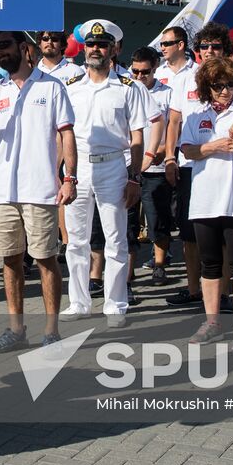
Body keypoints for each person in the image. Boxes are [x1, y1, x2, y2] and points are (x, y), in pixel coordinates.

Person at [0, 30, 76, 352]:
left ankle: (51, 331)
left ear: (23, 48)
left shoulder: (51, 86)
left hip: (41, 189)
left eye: (4, 46)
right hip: (3, 190)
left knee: (45, 259)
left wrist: (69, 177)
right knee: (10, 260)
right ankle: (16, 330)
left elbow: (67, 134)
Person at [59, 19, 148, 328]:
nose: (95, 49)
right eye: (91, 44)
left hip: (113, 166)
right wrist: (63, 174)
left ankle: (115, 302)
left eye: (102, 44)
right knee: (76, 240)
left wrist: (135, 177)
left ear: (113, 49)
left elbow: (137, 137)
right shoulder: (70, 88)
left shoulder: (128, 88)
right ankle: (79, 302)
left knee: (115, 238)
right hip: (79, 166)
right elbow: (62, 134)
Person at [178, 57, 233, 342]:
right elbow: (188, 151)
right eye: (218, 86)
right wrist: (214, 145)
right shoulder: (195, 115)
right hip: (205, 198)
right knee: (210, 263)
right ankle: (212, 322)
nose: (225, 91)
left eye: (230, 85)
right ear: (208, 87)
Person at [163, 20, 232, 307]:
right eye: (204, 46)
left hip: (224, 164)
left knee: (226, 231)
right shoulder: (184, 80)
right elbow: (174, 122)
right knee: (190, 232)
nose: (210, 51)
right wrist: (169, 157)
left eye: (216, 46)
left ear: (225, 49)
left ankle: (225, 293)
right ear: (197, 50)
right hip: (190, 163)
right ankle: (194, 290)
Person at [129, 46, 174, 286]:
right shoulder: (126, 90)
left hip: (155, 166)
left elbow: (174, 129)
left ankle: (159, 264)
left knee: (157, 219)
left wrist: (163, 152)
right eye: (135, 71)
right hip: (129, 164)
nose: (139, 77)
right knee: (128, 221)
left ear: (155, 68)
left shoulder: (167, 93)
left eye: (144, 72)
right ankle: (129, 271)